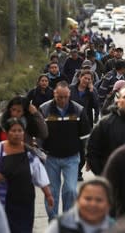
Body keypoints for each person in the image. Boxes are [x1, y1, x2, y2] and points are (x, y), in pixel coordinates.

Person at [0, 117, 53, 232]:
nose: (17, 134)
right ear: (6, 132)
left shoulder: (29, 152)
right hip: (2, 198)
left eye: (20, 131)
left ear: (24, 133)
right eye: (13, 131)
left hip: (25, 201)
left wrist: (48, 194)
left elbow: (39, 173)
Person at [40, 81, 92, 220]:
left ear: (69, 95)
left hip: (71, 157)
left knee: (70, 189)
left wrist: (88, 156)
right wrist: (39, 155)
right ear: (54, 95)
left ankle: (68, 220)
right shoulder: (44, 110)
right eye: (59, 97)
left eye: (65, 97)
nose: (62, 100)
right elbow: (38, 135)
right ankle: (54, 220)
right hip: (50, 158)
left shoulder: (78, 110)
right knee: (52, 192)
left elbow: (85, 136)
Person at [87, 85, 125, 175]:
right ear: (118, 101)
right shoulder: (105, 124)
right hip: (112, 179)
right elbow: (92, 150)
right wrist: (103, 174)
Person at [45, 177, 115, 233]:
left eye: (99, 200)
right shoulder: (60, 225)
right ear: (77, 201)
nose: (93, 204)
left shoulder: (115, 228)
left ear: (109, 204)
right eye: (88, 199)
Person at [69, 70, 100, 181]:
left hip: (85, 124)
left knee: (83, 149)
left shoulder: (91, 91)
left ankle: (78, 171)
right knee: (72, 147)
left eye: (89, 79)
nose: (87, 81)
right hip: (71, 122)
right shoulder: (71, 89)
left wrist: (92, 91)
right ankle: (72, 170)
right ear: (79, 77)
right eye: (85, 78)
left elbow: (96, 105)